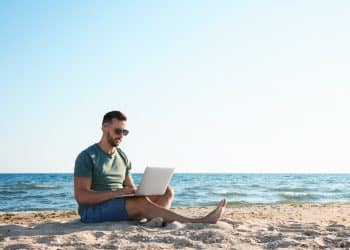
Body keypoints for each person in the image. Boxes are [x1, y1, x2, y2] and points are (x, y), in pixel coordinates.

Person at [74, 110, 227, 224]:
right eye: (117, 131)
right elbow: (82, 197)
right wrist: (115, 193)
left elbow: (130, 187)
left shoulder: (122, 157)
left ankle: (155, 221)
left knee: (166, 191)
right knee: (141, 203)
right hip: (92, 212)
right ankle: (197, 221)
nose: (121, 135)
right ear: (104, 128)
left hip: (119, 204)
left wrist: (138, 191)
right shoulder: (87, 156)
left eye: (124, 132)